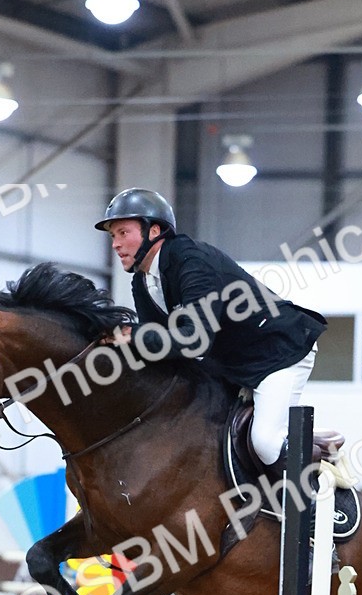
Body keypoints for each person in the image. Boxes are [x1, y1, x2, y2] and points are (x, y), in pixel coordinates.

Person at [95, 187, 327, 474]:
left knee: (265, 444)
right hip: (231, 362)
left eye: (123, 232)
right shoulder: (142, 282)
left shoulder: (193, 261)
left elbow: (195, 340)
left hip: (278, 353)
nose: (116, 244)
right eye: (113, 236)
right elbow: (158, 348)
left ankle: (317, 494)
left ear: (154, 231)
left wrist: (133, 335)